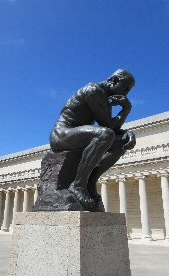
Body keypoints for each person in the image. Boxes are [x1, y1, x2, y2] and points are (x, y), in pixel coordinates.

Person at [50, 69, 136, 210]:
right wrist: (126, 109)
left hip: (77, 136)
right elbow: (108, 127)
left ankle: (90, 181)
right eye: (125, 87)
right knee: (105, 134)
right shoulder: (93, 90)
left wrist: (127, 133)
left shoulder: (103, 98)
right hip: (61, 135)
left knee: (121, 144)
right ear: (113, 80)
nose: (126, 93)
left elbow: (110, 127)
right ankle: (78, 184)